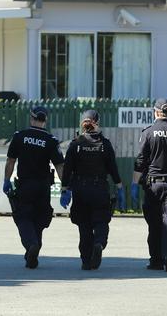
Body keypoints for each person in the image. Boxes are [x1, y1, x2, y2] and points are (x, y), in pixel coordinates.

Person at [131, 98, 167, 272]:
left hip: (153, 186)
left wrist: (135, 183)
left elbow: (141, 161)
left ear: (156, 112)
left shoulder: (148, 132)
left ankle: (156, 260)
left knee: (155, 224)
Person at [59, 110, 124, 270]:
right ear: (97, 122)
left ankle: (86, 260)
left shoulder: (76, 144)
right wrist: (119, 187)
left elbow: (67, 169)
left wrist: (65, 189)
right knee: (101, 221)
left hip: (80, 189)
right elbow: (113, 169)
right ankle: (99, 243)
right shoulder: (104, 144)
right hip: (99, 189)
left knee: (84, 225)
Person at [3, 106, 65, 269]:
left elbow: (10, 160)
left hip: (25, 185)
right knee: (39, 219)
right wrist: (65, 187)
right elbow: (59, 166)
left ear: (31, 118)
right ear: (46, 121)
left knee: (23, 217)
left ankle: (31, 245)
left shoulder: (20, 136)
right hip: (43, 187)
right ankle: (33, 251)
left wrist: (6, 180)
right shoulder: (51, 140)